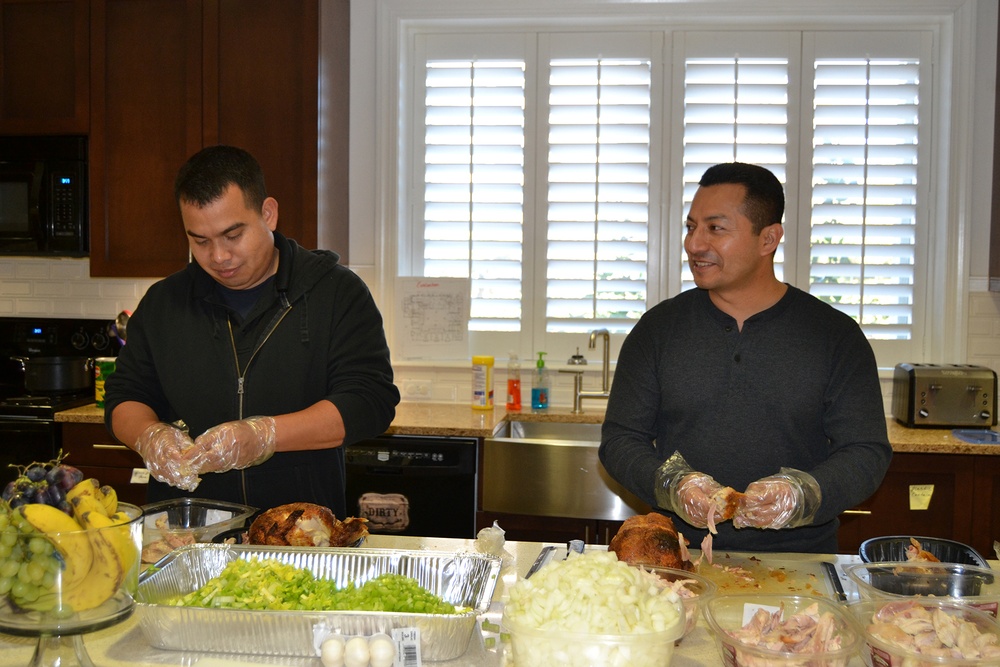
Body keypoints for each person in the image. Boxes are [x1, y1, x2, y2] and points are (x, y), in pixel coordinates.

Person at [598, 162, 891, 554]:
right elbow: (620, 440)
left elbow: (866, 452)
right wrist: (672, 485)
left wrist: (804, 494)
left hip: (799, 564)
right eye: (691, 227)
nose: (694, 244)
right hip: (678, 557)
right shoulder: (659, 329)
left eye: (715, 228)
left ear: (768, 238)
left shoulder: (834, 335)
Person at [104, 145, 400, 517]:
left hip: (298, 530)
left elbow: (369, 402)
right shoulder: (165, 302)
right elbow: (124, 396)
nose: (219, 256)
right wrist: (149, 436)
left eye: (232, 235)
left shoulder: (335, 292)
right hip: (185, 533)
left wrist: (264, 437)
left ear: (268, 213)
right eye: (200, 241)